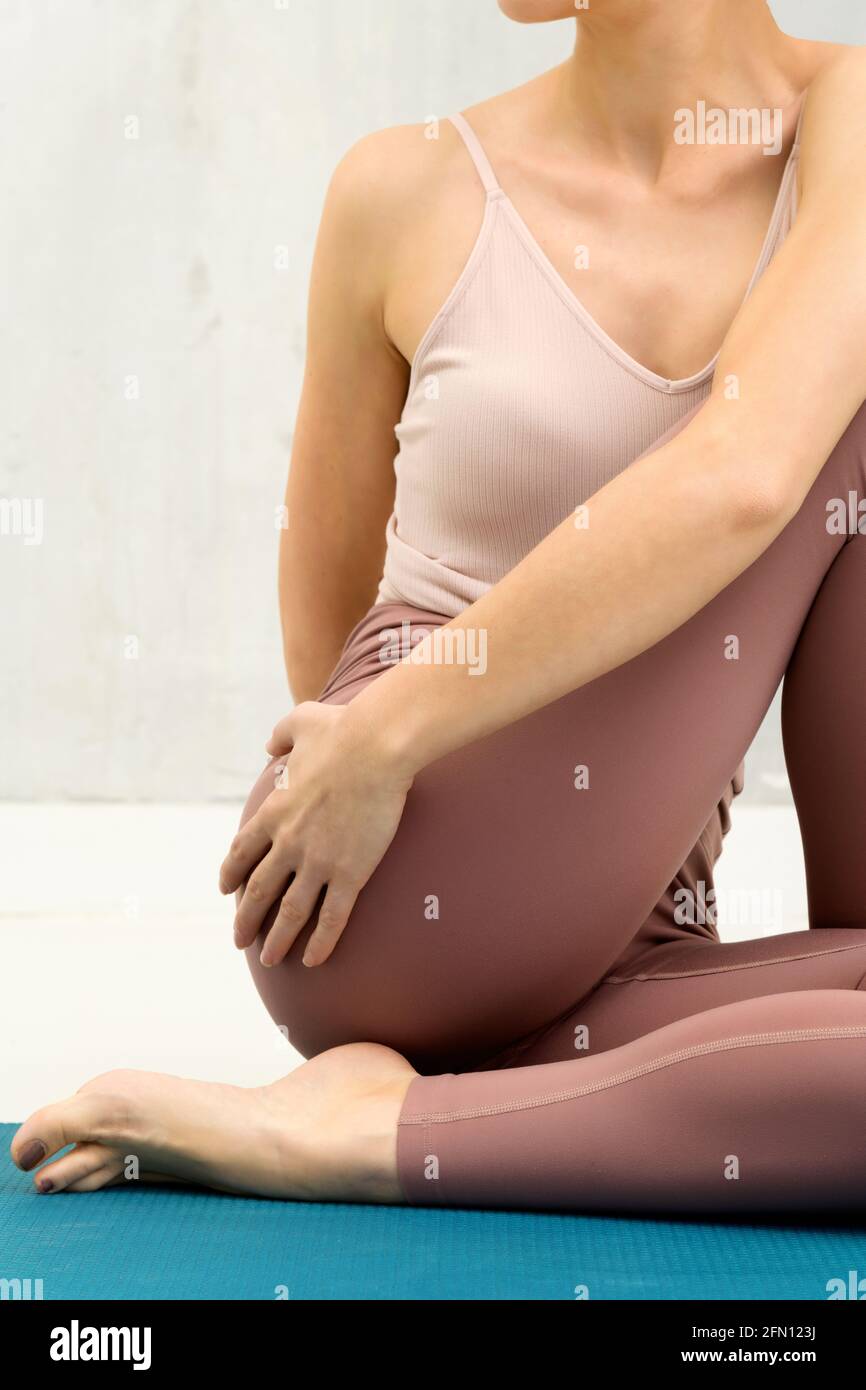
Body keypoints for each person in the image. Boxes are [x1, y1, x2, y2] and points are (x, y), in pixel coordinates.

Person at [14, 0, 866, 1213]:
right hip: (383, 858)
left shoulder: (845, 120)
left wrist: (614, 879)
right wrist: (388, 741)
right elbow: (333, 625)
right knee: (841, 413)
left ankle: (400, 1108)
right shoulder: (402, 187)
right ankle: (359, 1140)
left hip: (612, 930)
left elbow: (750, 477)